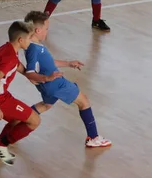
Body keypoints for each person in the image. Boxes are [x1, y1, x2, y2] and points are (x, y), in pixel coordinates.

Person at [23, 11, 112, 148]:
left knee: (46, 105)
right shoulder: (33, 49)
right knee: (84, 101)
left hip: (48, 86)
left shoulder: (34, 46)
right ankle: (93, 137)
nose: (47, 32)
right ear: (37, 30)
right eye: (46, 29)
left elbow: (49, 63)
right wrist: (47, 77)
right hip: (56, 83)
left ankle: (18, 120)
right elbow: (30, 72)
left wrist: (68, 63)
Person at [0, 21, 57, 166]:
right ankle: (0, 146)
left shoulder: (7, 49)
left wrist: (29, 76)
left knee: (17, 119)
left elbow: (17, 65)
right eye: (29, 38)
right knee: (34, 120)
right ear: (21, 40)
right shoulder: (9, 58)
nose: (30, 41)